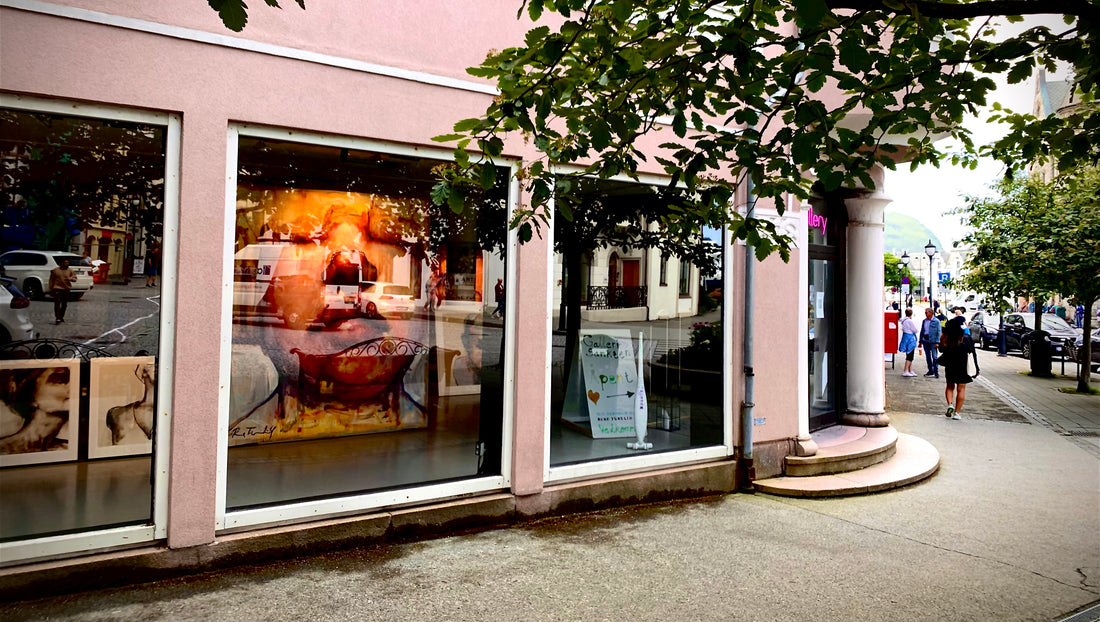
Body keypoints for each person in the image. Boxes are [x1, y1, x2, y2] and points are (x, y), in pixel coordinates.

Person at [939, 316, 980, 420]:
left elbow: (941, 349)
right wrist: (977, 368)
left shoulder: (945, 337)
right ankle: (957, 413)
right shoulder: (966, 338)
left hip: (950, 365)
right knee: (961, 389)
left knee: (949, 386)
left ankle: (950, 405)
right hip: (963, 366)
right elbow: (973, 354)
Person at [48, 258, 76, 324]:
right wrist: (51, 288)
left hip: (66, 289)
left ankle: (61, 316)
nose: (66, 264)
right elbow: (51, 280)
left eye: (67, 263)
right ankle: (57, 317)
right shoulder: (55, 271)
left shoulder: (70, 270)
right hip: (57, 288)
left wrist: (70, 279)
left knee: (64, 304)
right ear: (61, 263)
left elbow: (75, 278)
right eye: (65, 263)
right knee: (57, 303)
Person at [919, 307, 942, 378]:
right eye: (925, 312)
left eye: (926, 312)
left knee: (934, 356)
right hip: (925, 340)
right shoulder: (924, 321)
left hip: (933, 341)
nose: (925, 314)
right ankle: (930, 370)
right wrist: (920, 341)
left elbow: (939, 332)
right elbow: (922, 331)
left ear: (931, 313)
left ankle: (936, 371)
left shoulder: (936, 321)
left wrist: (937, 342)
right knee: (928, 356)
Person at [898, 308, 919, 377]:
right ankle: (906, 370)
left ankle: (910, 370)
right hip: (910, 339)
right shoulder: (909, 321)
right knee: (910, 356)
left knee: (909, 355)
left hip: (906, 337)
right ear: (911, 314)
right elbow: (915, 330)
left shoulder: (904, 320)